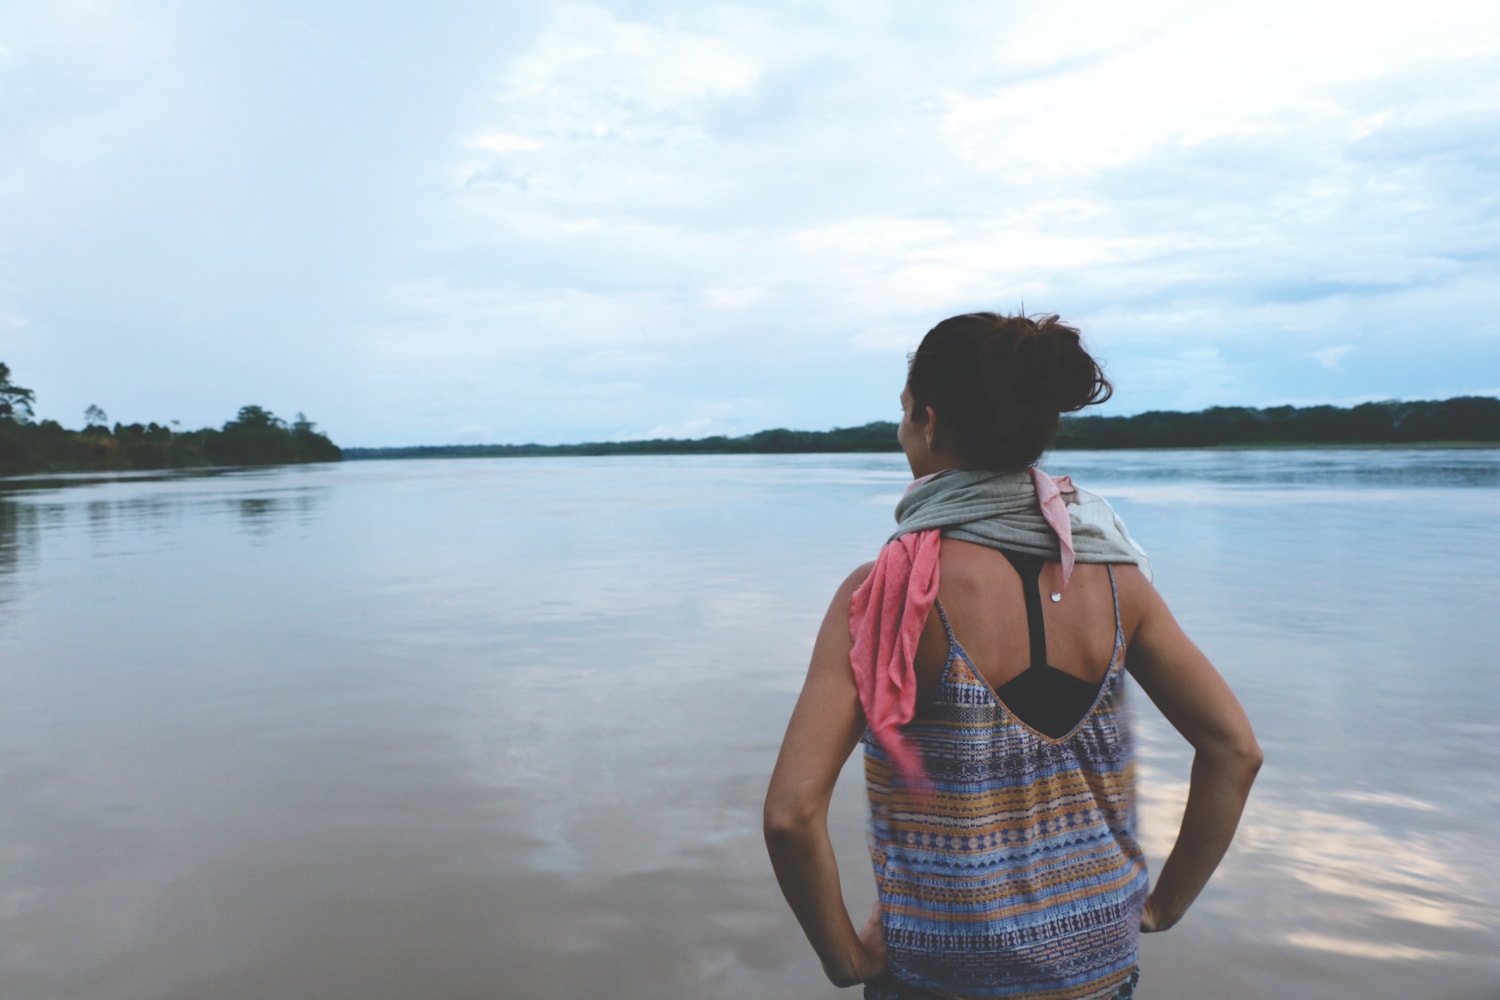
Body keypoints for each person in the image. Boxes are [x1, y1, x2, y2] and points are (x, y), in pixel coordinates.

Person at [764, 312, 1262, 999]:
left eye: (905, 414)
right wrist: (1160, 907)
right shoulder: (1118, 581)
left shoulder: (890, 591)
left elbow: (791, 815)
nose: (902, 432)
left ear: (930, 423)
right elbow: (1235, 751)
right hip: (1101, 971)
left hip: (938, 978)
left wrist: (846, 959)